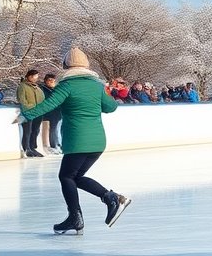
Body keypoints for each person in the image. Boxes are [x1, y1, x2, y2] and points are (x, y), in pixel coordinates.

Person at [15, 47, 131, 234]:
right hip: (97, 142)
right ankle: (106, 200)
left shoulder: (66, 86)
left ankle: (84, 212)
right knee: (75, 177)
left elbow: (48, 104)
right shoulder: (96, 86)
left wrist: (25, 116)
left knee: (66, 176)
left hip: (78, 140)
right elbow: (111, 107)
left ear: (66, 66)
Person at [16, 69, 45, 157]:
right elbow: (22, 99)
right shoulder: (23, 86)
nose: (34, 78)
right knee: (27, 131)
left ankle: (32, 147)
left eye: (36, 76)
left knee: (35, 130)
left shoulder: (37, 87)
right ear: (28, 76)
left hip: (38, 112)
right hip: (29, 112)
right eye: (32, 76)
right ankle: (26, 148)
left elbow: (42, 99)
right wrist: (29, 108)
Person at [39, 72, 62, 154]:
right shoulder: (43, 89)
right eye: (50, 80)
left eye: (53, 80)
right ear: (45, 81)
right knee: (53, 129)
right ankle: (54, 145)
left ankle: (58, 144)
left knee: (58, 128)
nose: (52, 82)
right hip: (50, 112)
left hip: (58, 112)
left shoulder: (56, 89)